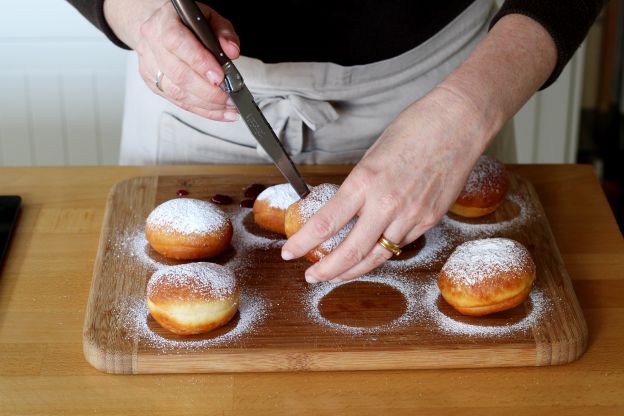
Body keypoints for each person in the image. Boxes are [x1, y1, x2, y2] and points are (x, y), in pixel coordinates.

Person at [68, 0, 603, 284]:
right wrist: (137, 12)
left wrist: (466, 110)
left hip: (446, 90)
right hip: (198, 85)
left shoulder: (459, 107)